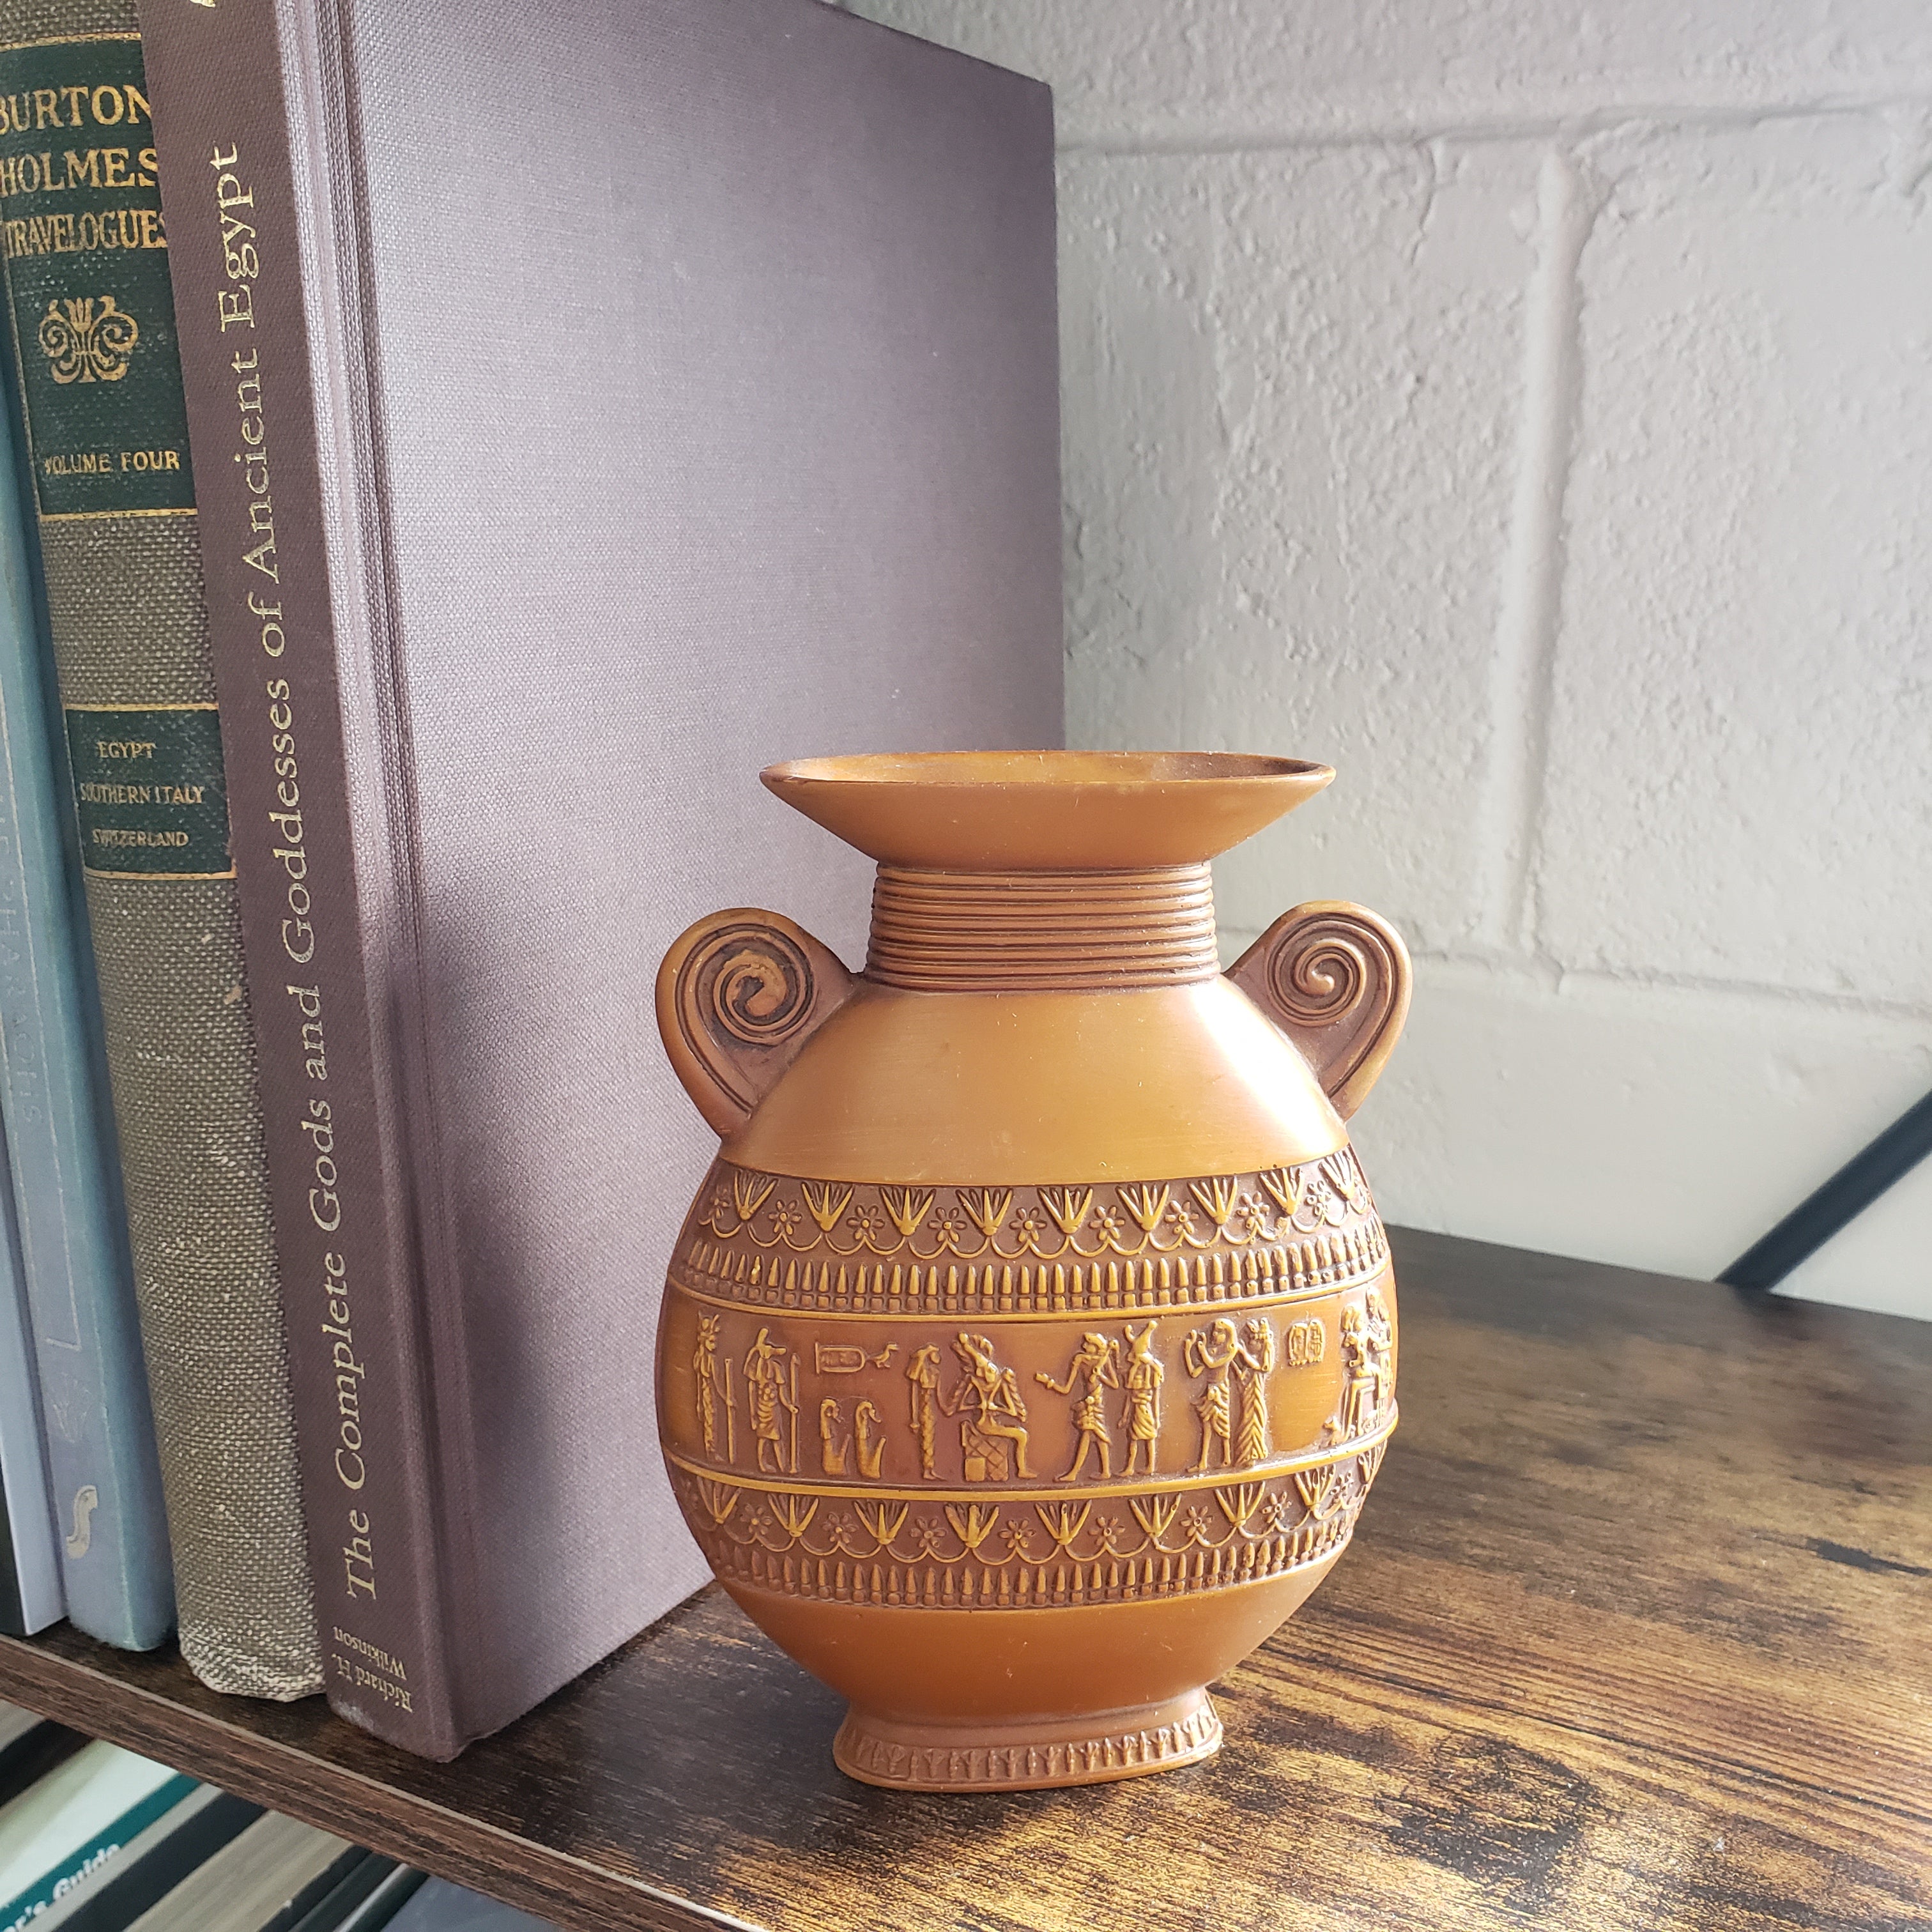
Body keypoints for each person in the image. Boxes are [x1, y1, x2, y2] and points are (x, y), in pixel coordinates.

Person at [1036, 1332, 1120, 1480]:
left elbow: (1115, 1384)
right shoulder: (1080, 1360)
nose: (1084, 1346)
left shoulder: (1104, 1361)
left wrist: (1101, 1376)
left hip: (1096, 1403)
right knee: (1096, 1435)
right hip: (1088, 1404)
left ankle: (1078, 1473)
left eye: (1089, 1344)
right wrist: (1048, 1382)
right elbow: (1066, 1389)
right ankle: (1102, 1471)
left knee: (1093, 1434)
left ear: (1097, 1347)